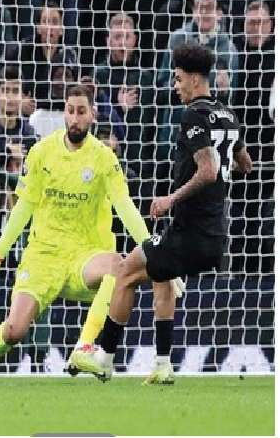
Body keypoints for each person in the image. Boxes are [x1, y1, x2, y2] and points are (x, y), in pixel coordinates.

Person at [74, 44, 252, 384]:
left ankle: (105, 358)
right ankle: (162, 364)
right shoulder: (228, 115)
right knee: (161, 274)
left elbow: (208, 170)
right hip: (216, 235)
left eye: (179, 79)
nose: (176, 85)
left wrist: (171, 198)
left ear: (195, 80)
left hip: (190, 233)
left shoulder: (194, 115)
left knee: (125, 271)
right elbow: (246, 165)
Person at [0, 85, 158, 384]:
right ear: (64, 113)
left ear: (93, 115)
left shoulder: (104, 158)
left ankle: (84, 347)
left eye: (81, 112)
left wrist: (151, 251)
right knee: (15, 331)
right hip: (43, 257)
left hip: (84, 256)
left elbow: (125, 207)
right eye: (70, 111)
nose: (75, 119)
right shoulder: (42, 152)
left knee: (117, 265)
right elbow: (24, 207)